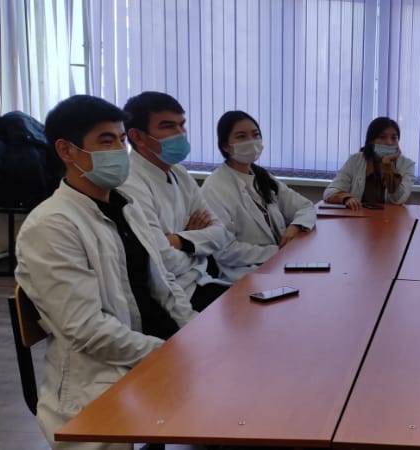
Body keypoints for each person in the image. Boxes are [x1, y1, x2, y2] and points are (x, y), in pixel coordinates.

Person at [16, 95, 196, 450]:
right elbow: (86, 329)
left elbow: (165, 284)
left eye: (121, 139)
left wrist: (197, 333)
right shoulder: (51, 226)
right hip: (107, 375)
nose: (118, 150)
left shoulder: (126, 207)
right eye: (105, 141)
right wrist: (167, 354)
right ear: (66, 151)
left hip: (157, 354)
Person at [120, 91, 230, 311]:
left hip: (202, 280)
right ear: (138, 136)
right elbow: (161, 261)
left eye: (182, 124)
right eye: (168, 126)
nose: (180, 133)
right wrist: (197, 249)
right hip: (172, 297)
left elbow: (220, 234)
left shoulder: (179, 172)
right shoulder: (129, 182)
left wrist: (178, 240)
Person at [201, 111, 317, 282]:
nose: (251, 141)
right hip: (246, 274)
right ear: (226, 146)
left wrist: (296, 226)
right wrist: (277, 251)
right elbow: (225, 251)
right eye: (241, 136)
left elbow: (305, 206)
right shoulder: (214, 188)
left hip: (281, 262)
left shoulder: (262, 176)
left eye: (255, 135)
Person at [324, 116, 414, 209]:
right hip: (357, 215)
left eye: (394, 138)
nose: (389, 142)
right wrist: (346, 198)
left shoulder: (407, 165)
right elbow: (330, 192)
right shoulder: (355, 160)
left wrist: (388, 167)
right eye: (382, 137)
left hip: (391, 216)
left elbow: (399, 199)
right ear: (371, 141)